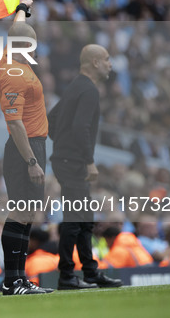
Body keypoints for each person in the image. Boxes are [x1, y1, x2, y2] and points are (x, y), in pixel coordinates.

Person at [48, 44, 122, 289]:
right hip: (73, 162)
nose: (111, 64)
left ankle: (89, 272)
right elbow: (81, 128)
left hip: (66, 160)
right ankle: (67, 276)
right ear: (95, 63)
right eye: (107, 59)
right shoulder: (88, 90)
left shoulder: (75, 87)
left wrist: (62, 146)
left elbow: (52, 120)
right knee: (75, 218)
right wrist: (88, 160)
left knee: (84, 217)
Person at [0, 0, 53, 295]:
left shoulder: (11, 54)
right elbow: (15, 123)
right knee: (20, 212)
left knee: (29, 212)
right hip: (24, 147)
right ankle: (13, 280)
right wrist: (31, 161)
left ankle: (18, 279)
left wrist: (22, 8)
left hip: (34, 144)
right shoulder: (12, 74)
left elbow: (15, 29)